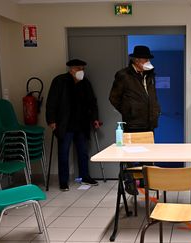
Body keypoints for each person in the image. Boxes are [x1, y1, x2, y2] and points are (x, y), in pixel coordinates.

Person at [109, 45, 161, 195]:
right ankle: (130, 182)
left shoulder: (150, 75)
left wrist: (156, 109)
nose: (148, 62)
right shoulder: (124, 75)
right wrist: (129, 111)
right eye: (146, 59)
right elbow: (113, 98)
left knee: (148, 154)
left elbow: (152, 96)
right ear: (137, 60)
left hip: (149, 121)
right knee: (130, 155)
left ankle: (147, 181)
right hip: (132, 122)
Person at [46, 59, 100, 191]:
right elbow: (51, 102)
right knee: (63, 153)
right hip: (65, 124)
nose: (81, 71)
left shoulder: (85, 83)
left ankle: (84, 177)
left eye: (82, 68)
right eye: (78, 68)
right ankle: (63, 181)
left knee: (83, 152)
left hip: (81, 124)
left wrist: (95, 118)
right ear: (71, 70)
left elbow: (92, 102)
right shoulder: (59, 81)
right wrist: (51, 121)